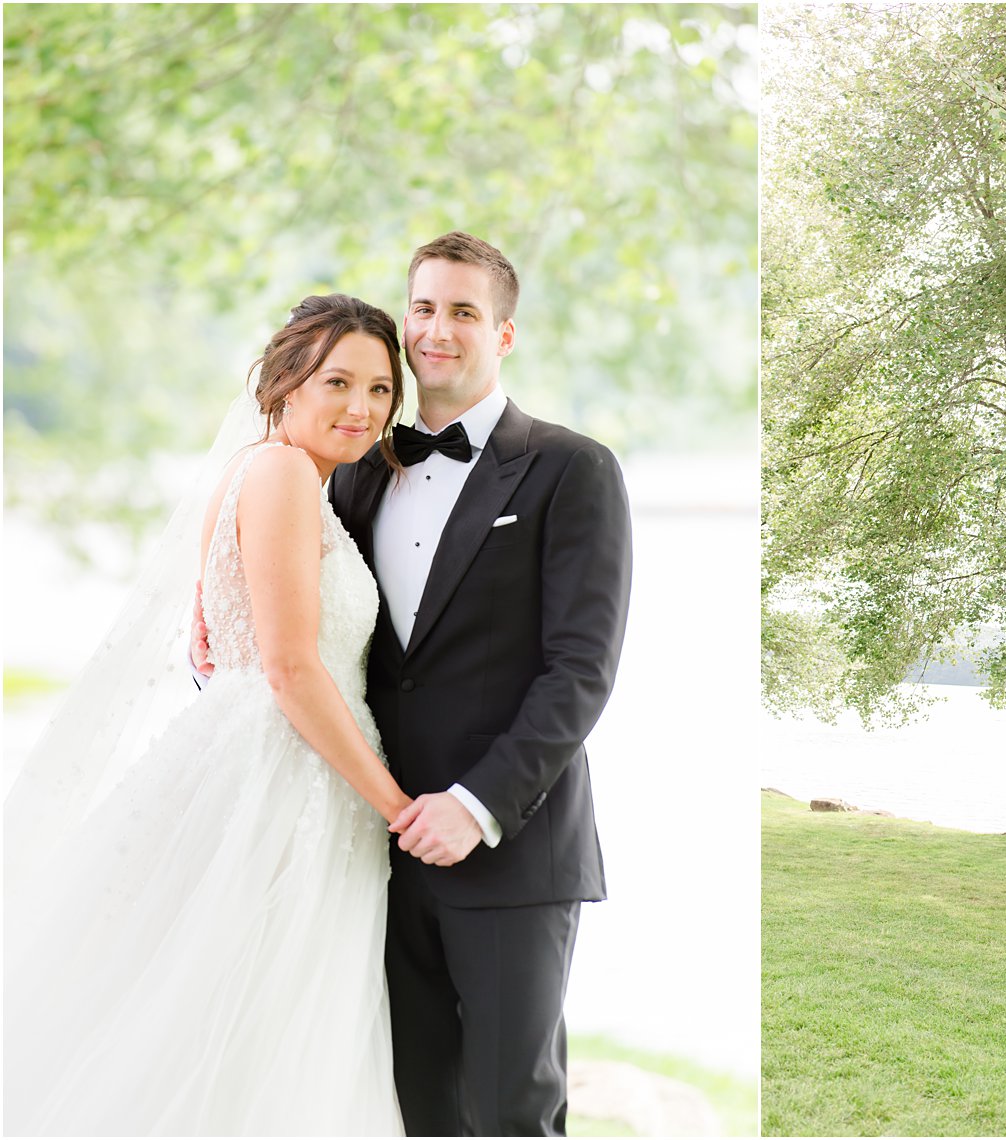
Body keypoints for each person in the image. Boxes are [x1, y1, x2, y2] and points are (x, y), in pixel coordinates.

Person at [198, 232, 634, 1136]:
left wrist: (474, 805)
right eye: (425, 308)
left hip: (507, 852)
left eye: (465, 312)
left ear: (503, 334)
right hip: (364, 848)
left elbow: (580, 673)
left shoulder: (571, 469)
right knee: (407, 1109)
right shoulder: (353, 468)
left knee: (513, 1111)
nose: (438, 330)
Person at [5, 295, 411, 1134]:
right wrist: (398, 808)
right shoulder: (280, 474)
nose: (361, 408)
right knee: (247, 1023)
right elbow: (292, 668)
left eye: (379, 389)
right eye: (338, 381)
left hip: (275, 764)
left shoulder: (263, 473)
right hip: (285, 779)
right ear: (286, 382)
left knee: (245, 1021)